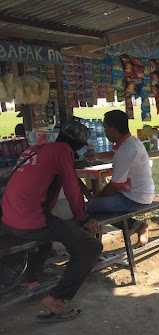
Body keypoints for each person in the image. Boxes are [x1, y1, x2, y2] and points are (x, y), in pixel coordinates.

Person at [2, 121, 102, 322]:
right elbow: (72, 189)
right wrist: (84, 218)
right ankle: (57, 299)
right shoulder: (62, 150)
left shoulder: (36, 149)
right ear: (78, 144)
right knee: (90, 247)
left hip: (9, 217)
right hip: (28, 219)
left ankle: (31, 278)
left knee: (51, 233)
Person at [87, 110, 155, 245]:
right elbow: (114, 154)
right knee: (97, 206)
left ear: (112, 129)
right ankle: (137, 226)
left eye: (105, 128)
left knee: (88, 208)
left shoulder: (126, 149)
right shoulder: (131, 142)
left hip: (134, 198)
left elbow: (115, 185)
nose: (105, 132)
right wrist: (97, 156)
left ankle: (93, 245)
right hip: (140, 193)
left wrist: (98, 196)